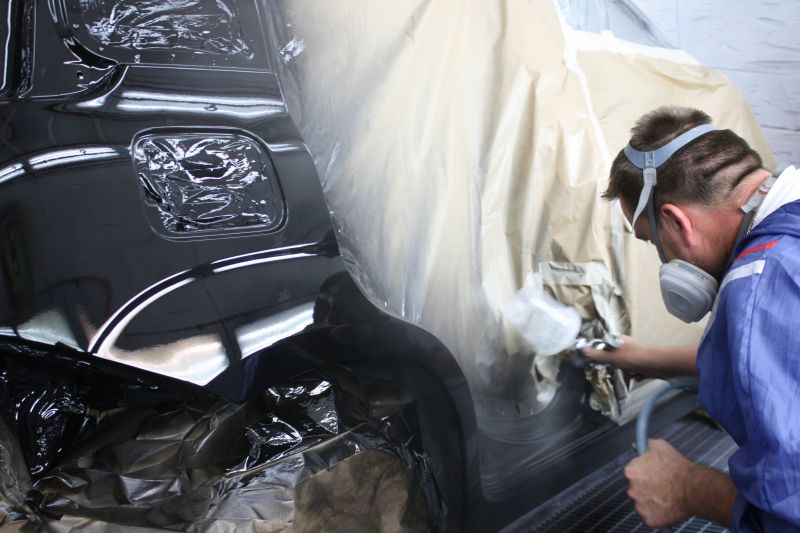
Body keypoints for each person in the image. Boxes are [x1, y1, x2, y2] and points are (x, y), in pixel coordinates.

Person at [582, 106, 800, 531]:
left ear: (676, 222)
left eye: (652, 242)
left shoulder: (759, 284)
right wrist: (652, 359)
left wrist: (686, 487)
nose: (661, 258)